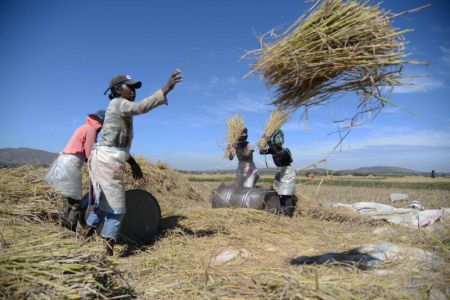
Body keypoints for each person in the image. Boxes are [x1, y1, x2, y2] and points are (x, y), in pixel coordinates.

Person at [84, 70, 182, 256]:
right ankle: (108, 252)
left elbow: (120, 147)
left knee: (101, 204)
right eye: (129, 87)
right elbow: (141, 107)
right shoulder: (119, 104)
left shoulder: (119, 107)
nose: (133, 90)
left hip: (105, 159)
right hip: (107, 161)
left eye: (135, 87)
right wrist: (166, 89)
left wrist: (133, 164)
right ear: (116, 89)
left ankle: (85, 236)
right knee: (117, 209)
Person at [44, 110, 106, 231]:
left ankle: (64, 227)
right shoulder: (91, 130)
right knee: (75, 201)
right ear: (101, 122)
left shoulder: (85, 127)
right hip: (70, 166)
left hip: (64, 163)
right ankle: (70, 229)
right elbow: (90, 154)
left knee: (68, 199)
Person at [259, 129, 297, 217]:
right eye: (276, 144)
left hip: (288, 173)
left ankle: (288, 213)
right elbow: (261, 152)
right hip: (280, 172)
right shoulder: (273, 149)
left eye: (278, 143)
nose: (277, 145)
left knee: (286, 193)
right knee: (280, 193)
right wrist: (262, 143)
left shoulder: (285, 151)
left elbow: (278, 154)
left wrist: (269, 142)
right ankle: (281, 210)